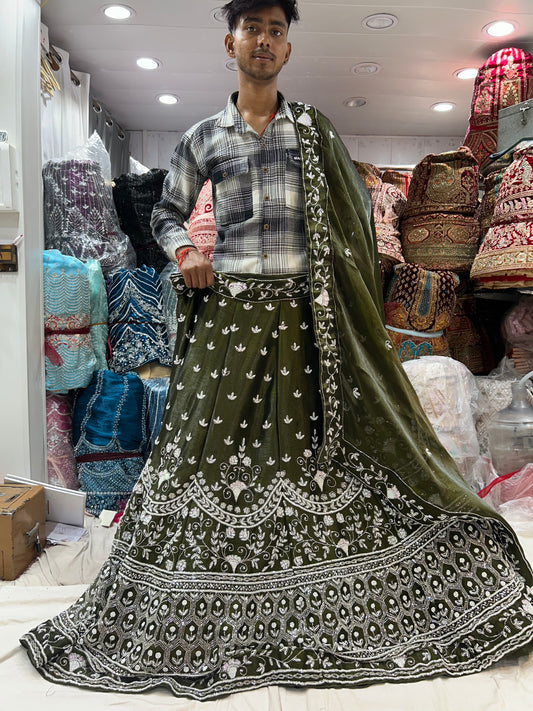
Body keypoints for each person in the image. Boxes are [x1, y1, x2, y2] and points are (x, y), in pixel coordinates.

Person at [21, 0, 533, 700]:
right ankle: (206, 592)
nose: (263, 40)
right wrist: (179, 249)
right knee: (196, 457)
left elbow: (351, 226)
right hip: (229, 322)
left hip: (302, 324)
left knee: (307, 456)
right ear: (229, 41)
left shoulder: (310, 132)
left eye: (276, 30)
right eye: (251, 28)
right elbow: (167, 210)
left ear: (287, 48)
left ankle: (315, 584)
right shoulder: (204, 136)